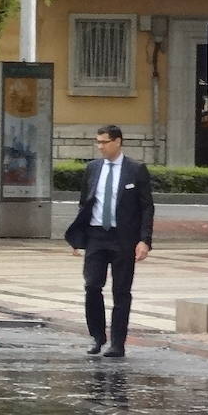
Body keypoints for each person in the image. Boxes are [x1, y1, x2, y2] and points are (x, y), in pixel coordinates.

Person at [63, 124, 155, 359]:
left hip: (123, 237)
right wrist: (78, 238)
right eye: (98, 142)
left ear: (117, 142)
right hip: (96, 235)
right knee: (92, 285)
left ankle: (117, 342)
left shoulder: (135, 169)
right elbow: (85, 203)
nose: (100, 146)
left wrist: (144, 240)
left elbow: (146, 206)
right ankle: (97, 336)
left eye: (104, 142)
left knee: (121, 291)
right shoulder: (93, 168)